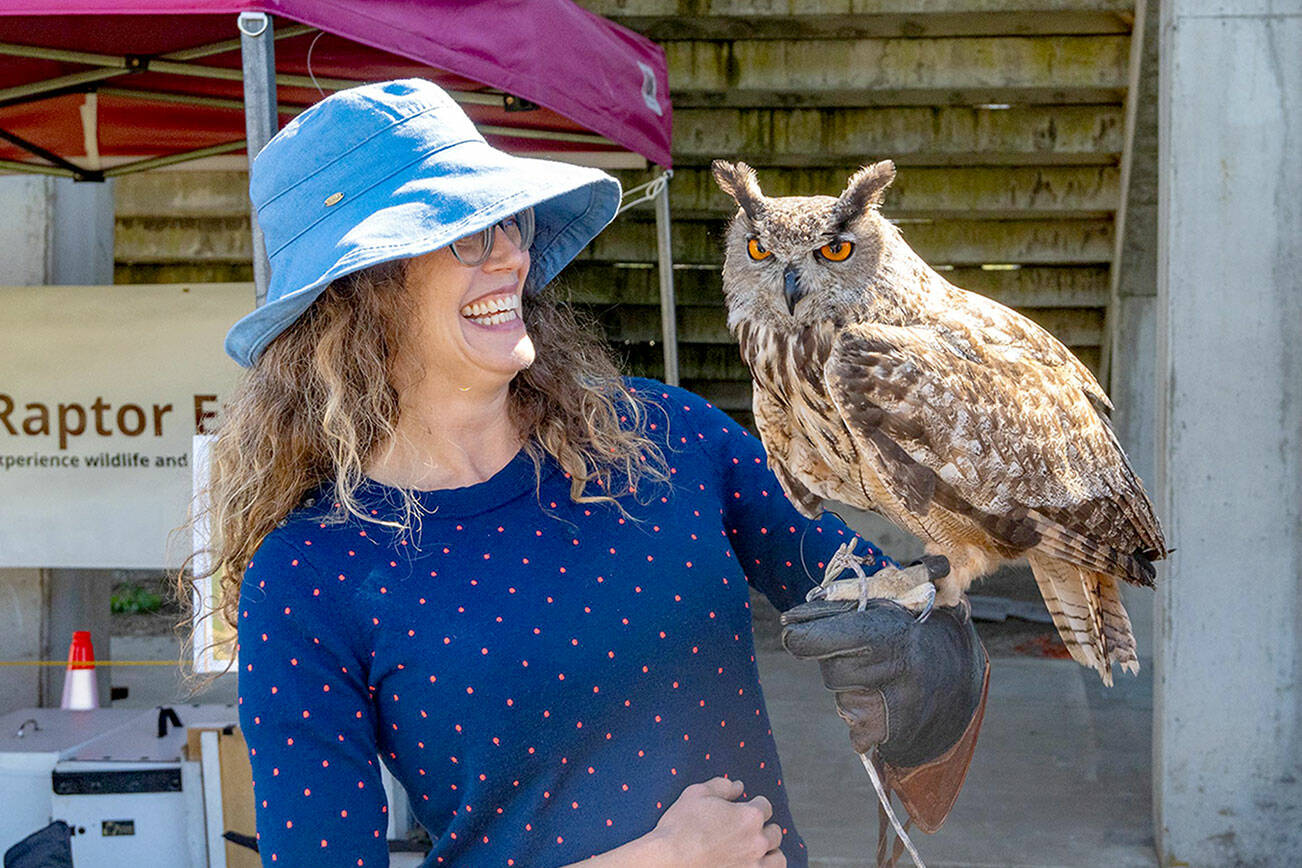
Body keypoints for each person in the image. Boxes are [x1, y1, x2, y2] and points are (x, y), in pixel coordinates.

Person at [188, 78, 988, 868]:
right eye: (466, 233)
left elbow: (899, 614)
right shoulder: (308, 577)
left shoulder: (669, 439)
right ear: (360, 291)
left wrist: (927, 651)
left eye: (508, 222)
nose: (510, 254)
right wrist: (661, 861)